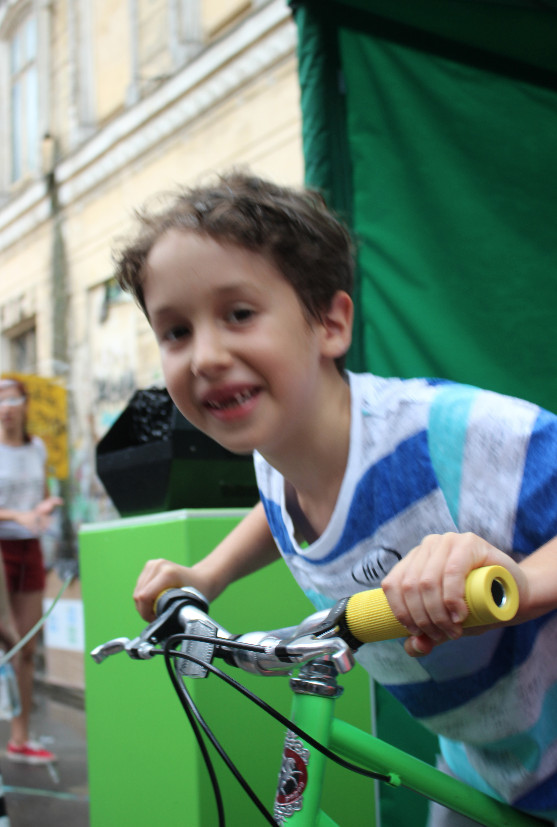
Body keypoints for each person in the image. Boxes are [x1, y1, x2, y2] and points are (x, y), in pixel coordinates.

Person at [113, 170, 557, 825]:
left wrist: (513, 580)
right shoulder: (277, 455)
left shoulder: (444, 432)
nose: (204, 355)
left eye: (238, 313)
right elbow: (275, 511)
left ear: (329, 321)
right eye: (174, 331)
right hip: (480, 769)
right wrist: (206, 573)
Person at [0, 377, 62, 764]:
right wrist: (17, 514)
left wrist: (41, 511)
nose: (5, 406)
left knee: (25, 646)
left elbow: (38, 498)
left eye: (11, 397)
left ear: (25, 403)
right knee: (7, 637)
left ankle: (20, 737)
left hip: (30, 547)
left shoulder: (37, 447)